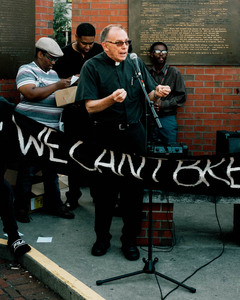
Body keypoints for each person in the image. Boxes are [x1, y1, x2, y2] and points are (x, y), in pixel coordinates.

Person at [75, 24, 171, 260]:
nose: (125, 46)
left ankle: (130, 241)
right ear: (105, 45)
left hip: (134, 135)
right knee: (104, 192)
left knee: (133, 192)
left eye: (127, 42)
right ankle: (102, 239)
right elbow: (89, 106)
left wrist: (157, 93)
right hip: (105, 136)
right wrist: (109, 100)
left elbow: (147, 96)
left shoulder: (135, 63)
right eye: (119, 43)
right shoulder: (92, 66)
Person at [14, 37, 74, 223]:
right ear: (40, 54)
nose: (54, 63)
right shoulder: (26, 69)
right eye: (51, 58)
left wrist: (69, 92)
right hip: (29, 130)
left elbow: (53, 98)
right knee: (28, 170)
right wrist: (57, 86)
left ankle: (54, 204)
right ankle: (21, 208)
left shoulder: (54, 74)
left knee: (51, 170)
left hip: (50, 131)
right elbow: (30, 93)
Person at [54, 23, 103, 210]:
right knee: (73, 156)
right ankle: (73, 197)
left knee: (96, 156)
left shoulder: (99, 51)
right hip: (73, 113)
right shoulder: (64, 54)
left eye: (91, 43)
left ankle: (98, 197)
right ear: (76, 37)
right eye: (84, 43)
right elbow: (56, 81)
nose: (88, 47)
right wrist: (69, 81)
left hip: (95, 113)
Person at [148, 42, 187, 144]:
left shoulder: (174, 72)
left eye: (164, 52)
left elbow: (182, 96)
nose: (161, 54)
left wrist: (163, 104)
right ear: (151, 54)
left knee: (170, 150)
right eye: (157, 51)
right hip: (150, 119)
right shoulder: (148, 73)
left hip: (167, 118)